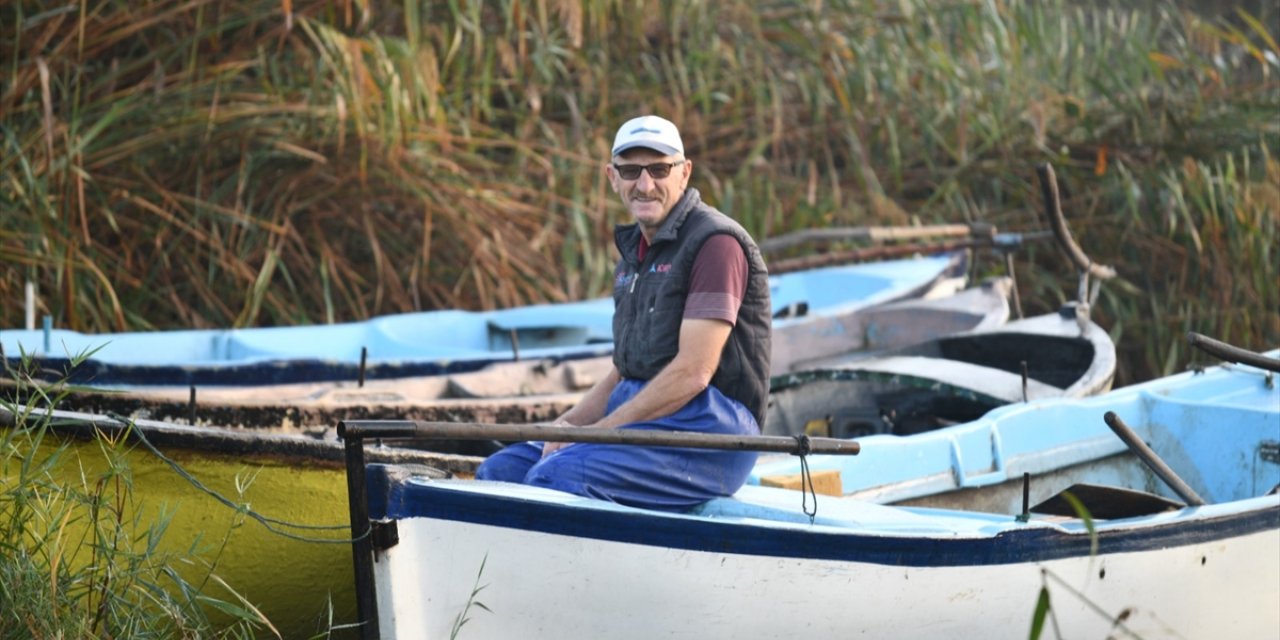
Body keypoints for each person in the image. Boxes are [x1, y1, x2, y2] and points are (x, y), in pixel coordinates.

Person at [475, 114, 772, 511]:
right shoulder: (634, 257)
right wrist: (565, 426)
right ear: (612, 178)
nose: (644, 185)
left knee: (554, 478)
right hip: (644, 419)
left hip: (713, 433)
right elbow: (623, 373)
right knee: (500, 471)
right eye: (631, 171)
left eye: (659, 169)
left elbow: (693, 373)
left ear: (684, 173)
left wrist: (597, 434)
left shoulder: (716, 244)